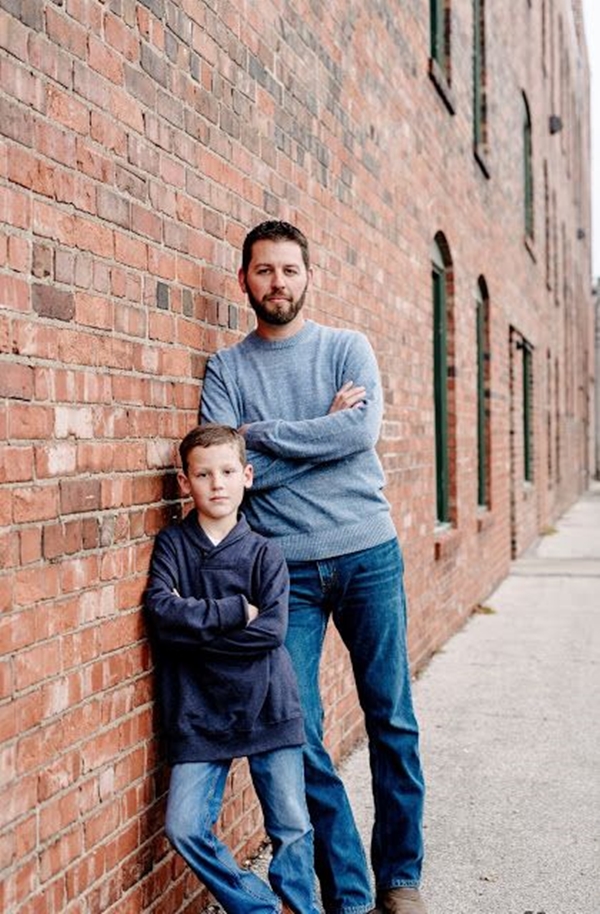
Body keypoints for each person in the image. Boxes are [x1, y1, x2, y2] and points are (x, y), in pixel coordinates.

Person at [200, 221, 427, 914]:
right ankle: (351, 886)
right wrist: (317, 437)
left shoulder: (345, 347)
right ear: (245, 281)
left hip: (367, 552)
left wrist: (262, 439)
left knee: (391, 716)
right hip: (283, 573)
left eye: (289, 270)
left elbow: (358, 434)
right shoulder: (227, 369)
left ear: (308, 276)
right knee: (297, 734)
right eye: (264, 271)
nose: (277, 283)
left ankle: (401, 878)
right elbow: (229, 475)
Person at [145, 423, 320, 914]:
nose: (216, 484)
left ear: (247, 476)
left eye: (226, 472)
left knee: (291, 827)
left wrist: (195, 629)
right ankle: (258, 908)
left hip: (269, 704)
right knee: (183, 827)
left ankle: (300, 908)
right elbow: (162, 615)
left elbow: (271, 633)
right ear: (185, 483)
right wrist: (232, 612)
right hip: (199, 710)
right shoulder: (173, 548)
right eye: (203, 474)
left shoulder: (265, 553)